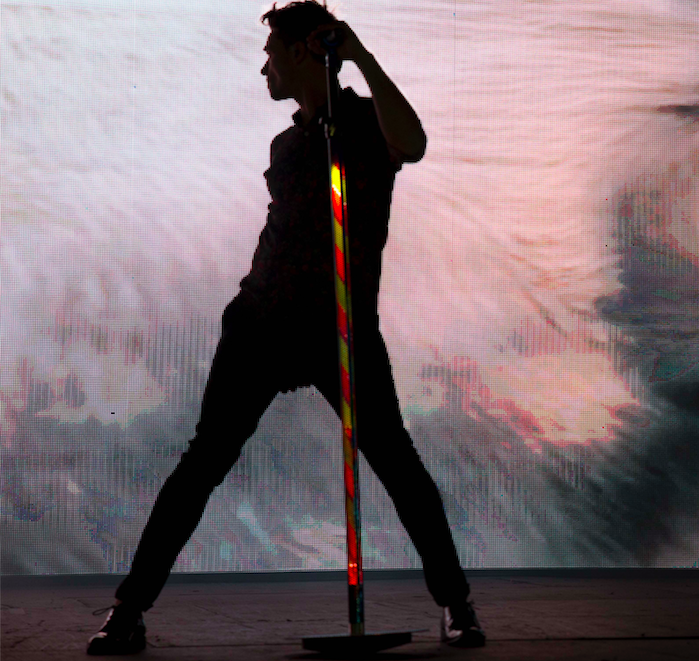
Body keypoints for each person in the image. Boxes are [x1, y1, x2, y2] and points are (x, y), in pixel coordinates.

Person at [87, 1, 484, 654]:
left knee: (396, 461)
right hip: (261, 324)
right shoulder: (287, 143)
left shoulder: (362, 123)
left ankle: (457, 605)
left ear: (303, 53)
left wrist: (357, 54)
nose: (262, 66)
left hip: (342, 331)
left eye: (271, 52)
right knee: (202, 462)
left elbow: (411, 144)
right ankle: (127, 611)